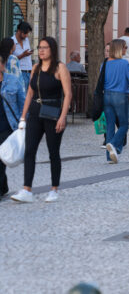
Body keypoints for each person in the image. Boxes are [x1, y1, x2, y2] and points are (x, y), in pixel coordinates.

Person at [10, 36, 72, 204]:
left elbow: (68, 95)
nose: (41, 50)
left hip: (53, 113)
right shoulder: (35, 67)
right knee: (30, 151)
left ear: (52, 49)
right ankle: (27, 189)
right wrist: (23, 117)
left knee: (53, 152)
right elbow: (30, 93)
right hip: (35, 113)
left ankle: (54, 189)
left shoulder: (60, 68)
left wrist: (63, 116)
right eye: (40, 47)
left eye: (45, 47)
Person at [103, 40, 129, 164]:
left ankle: (110, 156)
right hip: (121, 96)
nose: (126, 49)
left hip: (106, 96)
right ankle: (113, 144)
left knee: (110, 126)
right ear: (119, 49)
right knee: (124, 125)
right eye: (124, 47)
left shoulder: (104, 64)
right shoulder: (124, 64)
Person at [0, 54, 26, 200]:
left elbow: (23, 103)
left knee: (1, 158)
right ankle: (2, 186)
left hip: (7, 126)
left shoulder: (13, 81)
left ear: (3, 65)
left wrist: (23, 122)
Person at [12, 21, 33, 89]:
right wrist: (23, 55)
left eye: (27, 33)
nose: (26, 35)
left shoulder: (26, 40)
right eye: (25, 33)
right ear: (18, 31)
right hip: (20, 72)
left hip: (29, 72)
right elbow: (10, 59)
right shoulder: (12, 41)